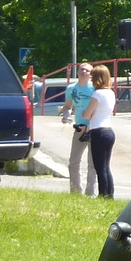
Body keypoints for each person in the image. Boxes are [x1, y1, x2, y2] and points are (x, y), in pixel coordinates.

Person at [59, 63, 96, 195]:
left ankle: (90, 192)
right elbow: (68, 106)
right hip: (79, 129)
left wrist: (89, 126)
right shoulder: (71, 88)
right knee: (73, 163)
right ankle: (75, 192)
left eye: (87, 70)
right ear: (78, 71)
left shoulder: (95, 88)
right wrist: (65, 115)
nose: (83, 71)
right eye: (81, 69)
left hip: (93, 129)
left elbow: (100, 110)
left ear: (91, 74)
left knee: (92, 164)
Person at [81, 66, 117, 199]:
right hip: (109, 130)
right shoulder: (111, 93)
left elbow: (87, 114)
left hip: (98, 131)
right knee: (106, 166)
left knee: (100, 167)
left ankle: (102, 194)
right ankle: (110, 194)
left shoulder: (97, 94)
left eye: (93, 78)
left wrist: (83, 113)